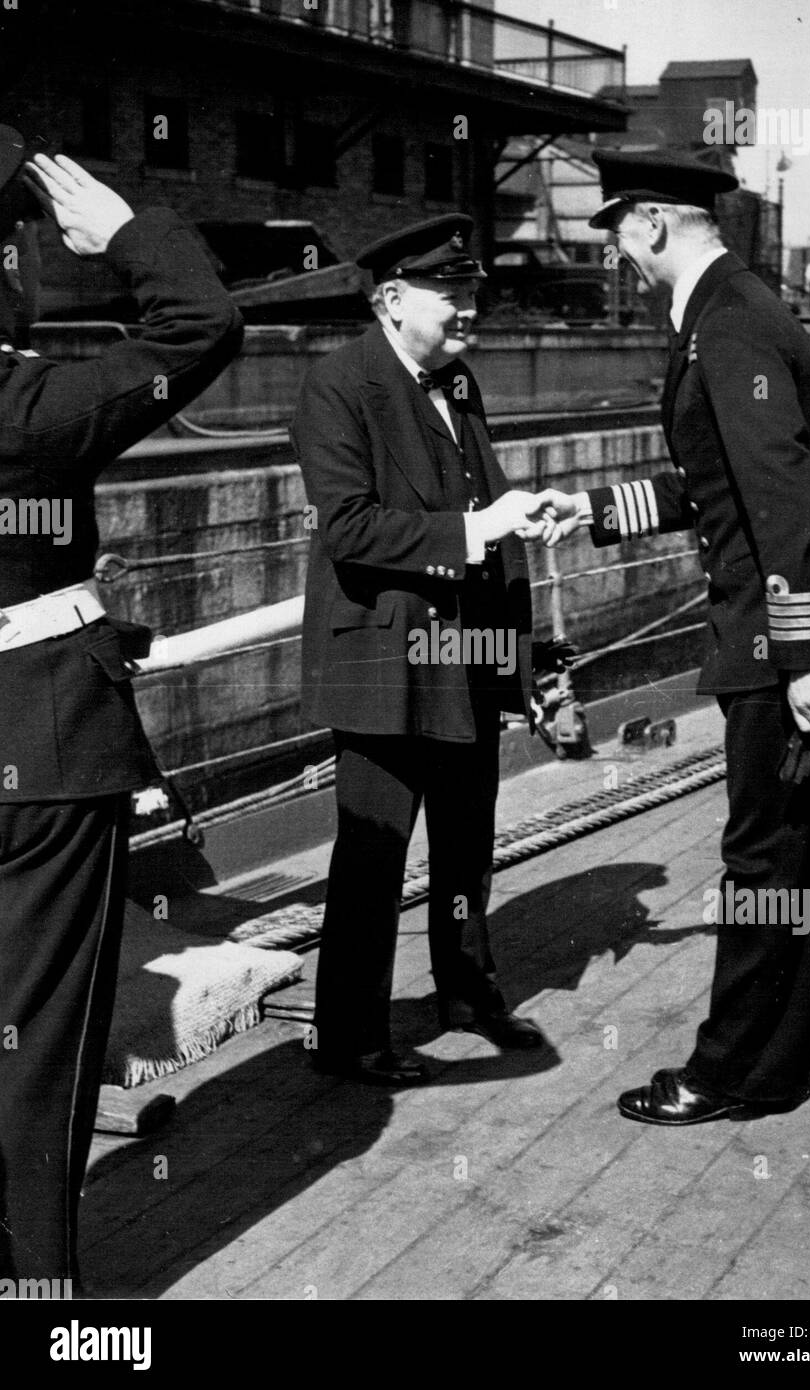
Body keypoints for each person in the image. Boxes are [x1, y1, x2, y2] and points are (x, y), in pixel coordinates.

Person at [534, 150, 810, 1125]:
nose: (617, 251)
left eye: (617, 229)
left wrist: (801, 661)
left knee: (763, 859)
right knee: (786, 858)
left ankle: (731, 1071)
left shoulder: (728, 320)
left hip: (786, 639)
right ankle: (767, 1063)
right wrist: (595, 507)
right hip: (803, 625)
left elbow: (782, 493)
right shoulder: (730, 307)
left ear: (653, 224)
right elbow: (723, 481)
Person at [0, 130, 243, 1286]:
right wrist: (131, 234)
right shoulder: (34, 404)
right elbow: (201, 327)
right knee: (39, 1046)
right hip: (46, 753)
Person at [291, 215, 547, 1087]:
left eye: (474, 289)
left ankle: (469, 994)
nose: (470, 306)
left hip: (466, 652)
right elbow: (352, 527)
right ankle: (350, 1034)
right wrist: (475, 531)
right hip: (383, 659)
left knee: (468, 840)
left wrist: (515, 533)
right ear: (393, 299)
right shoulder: (338, 385)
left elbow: (480, 493)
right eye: (453, 292)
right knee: (373, 852)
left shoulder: (458, 378)